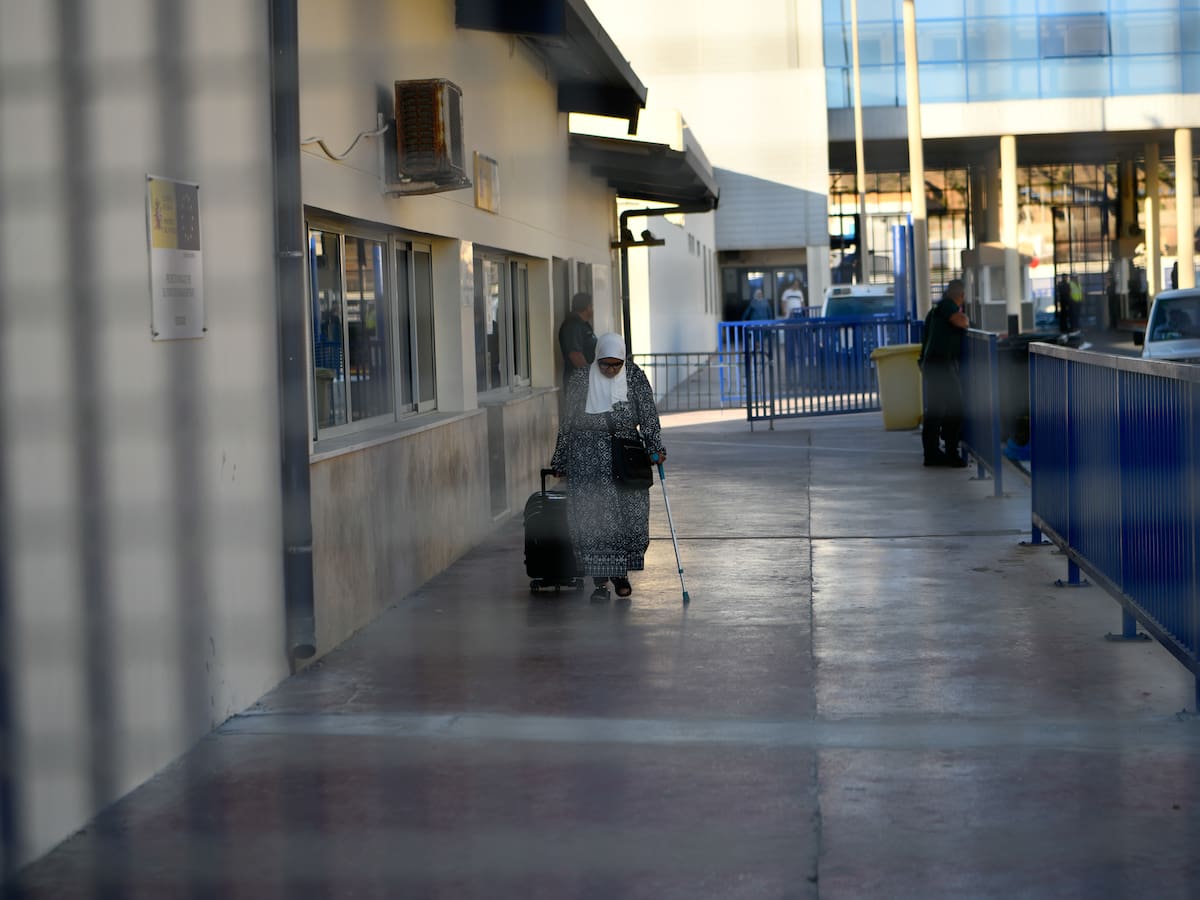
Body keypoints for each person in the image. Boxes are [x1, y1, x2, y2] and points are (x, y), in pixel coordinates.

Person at [551, 333, 666, 602]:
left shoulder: (634, 376)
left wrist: (655, 447)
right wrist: (561, 458)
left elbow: (648, 414)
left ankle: (621, 573)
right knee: (594, 518)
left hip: (626, 455)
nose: (611, 370)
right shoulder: (581, 379)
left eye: (616, 365)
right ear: (597, 358)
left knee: (630, 516)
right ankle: (601, 582)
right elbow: (567, 422)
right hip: (587, 458)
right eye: (605, 364)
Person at [918, 279, 969, 468]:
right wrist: (965, 320)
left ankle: (932, 453)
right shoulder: (947, 306)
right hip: (942, 365)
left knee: (937, 410)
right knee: (956, 408)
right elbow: (960, 321)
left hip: (933, 365)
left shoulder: (935, 310)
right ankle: (950, 452)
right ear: (961, 295)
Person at [558, 292, 597, 387]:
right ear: (587, 307)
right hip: (579, 383)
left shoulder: (583, 324)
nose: (593, 309)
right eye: (591, 306)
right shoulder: (573, 325)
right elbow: (575, 355)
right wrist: (589, 378)